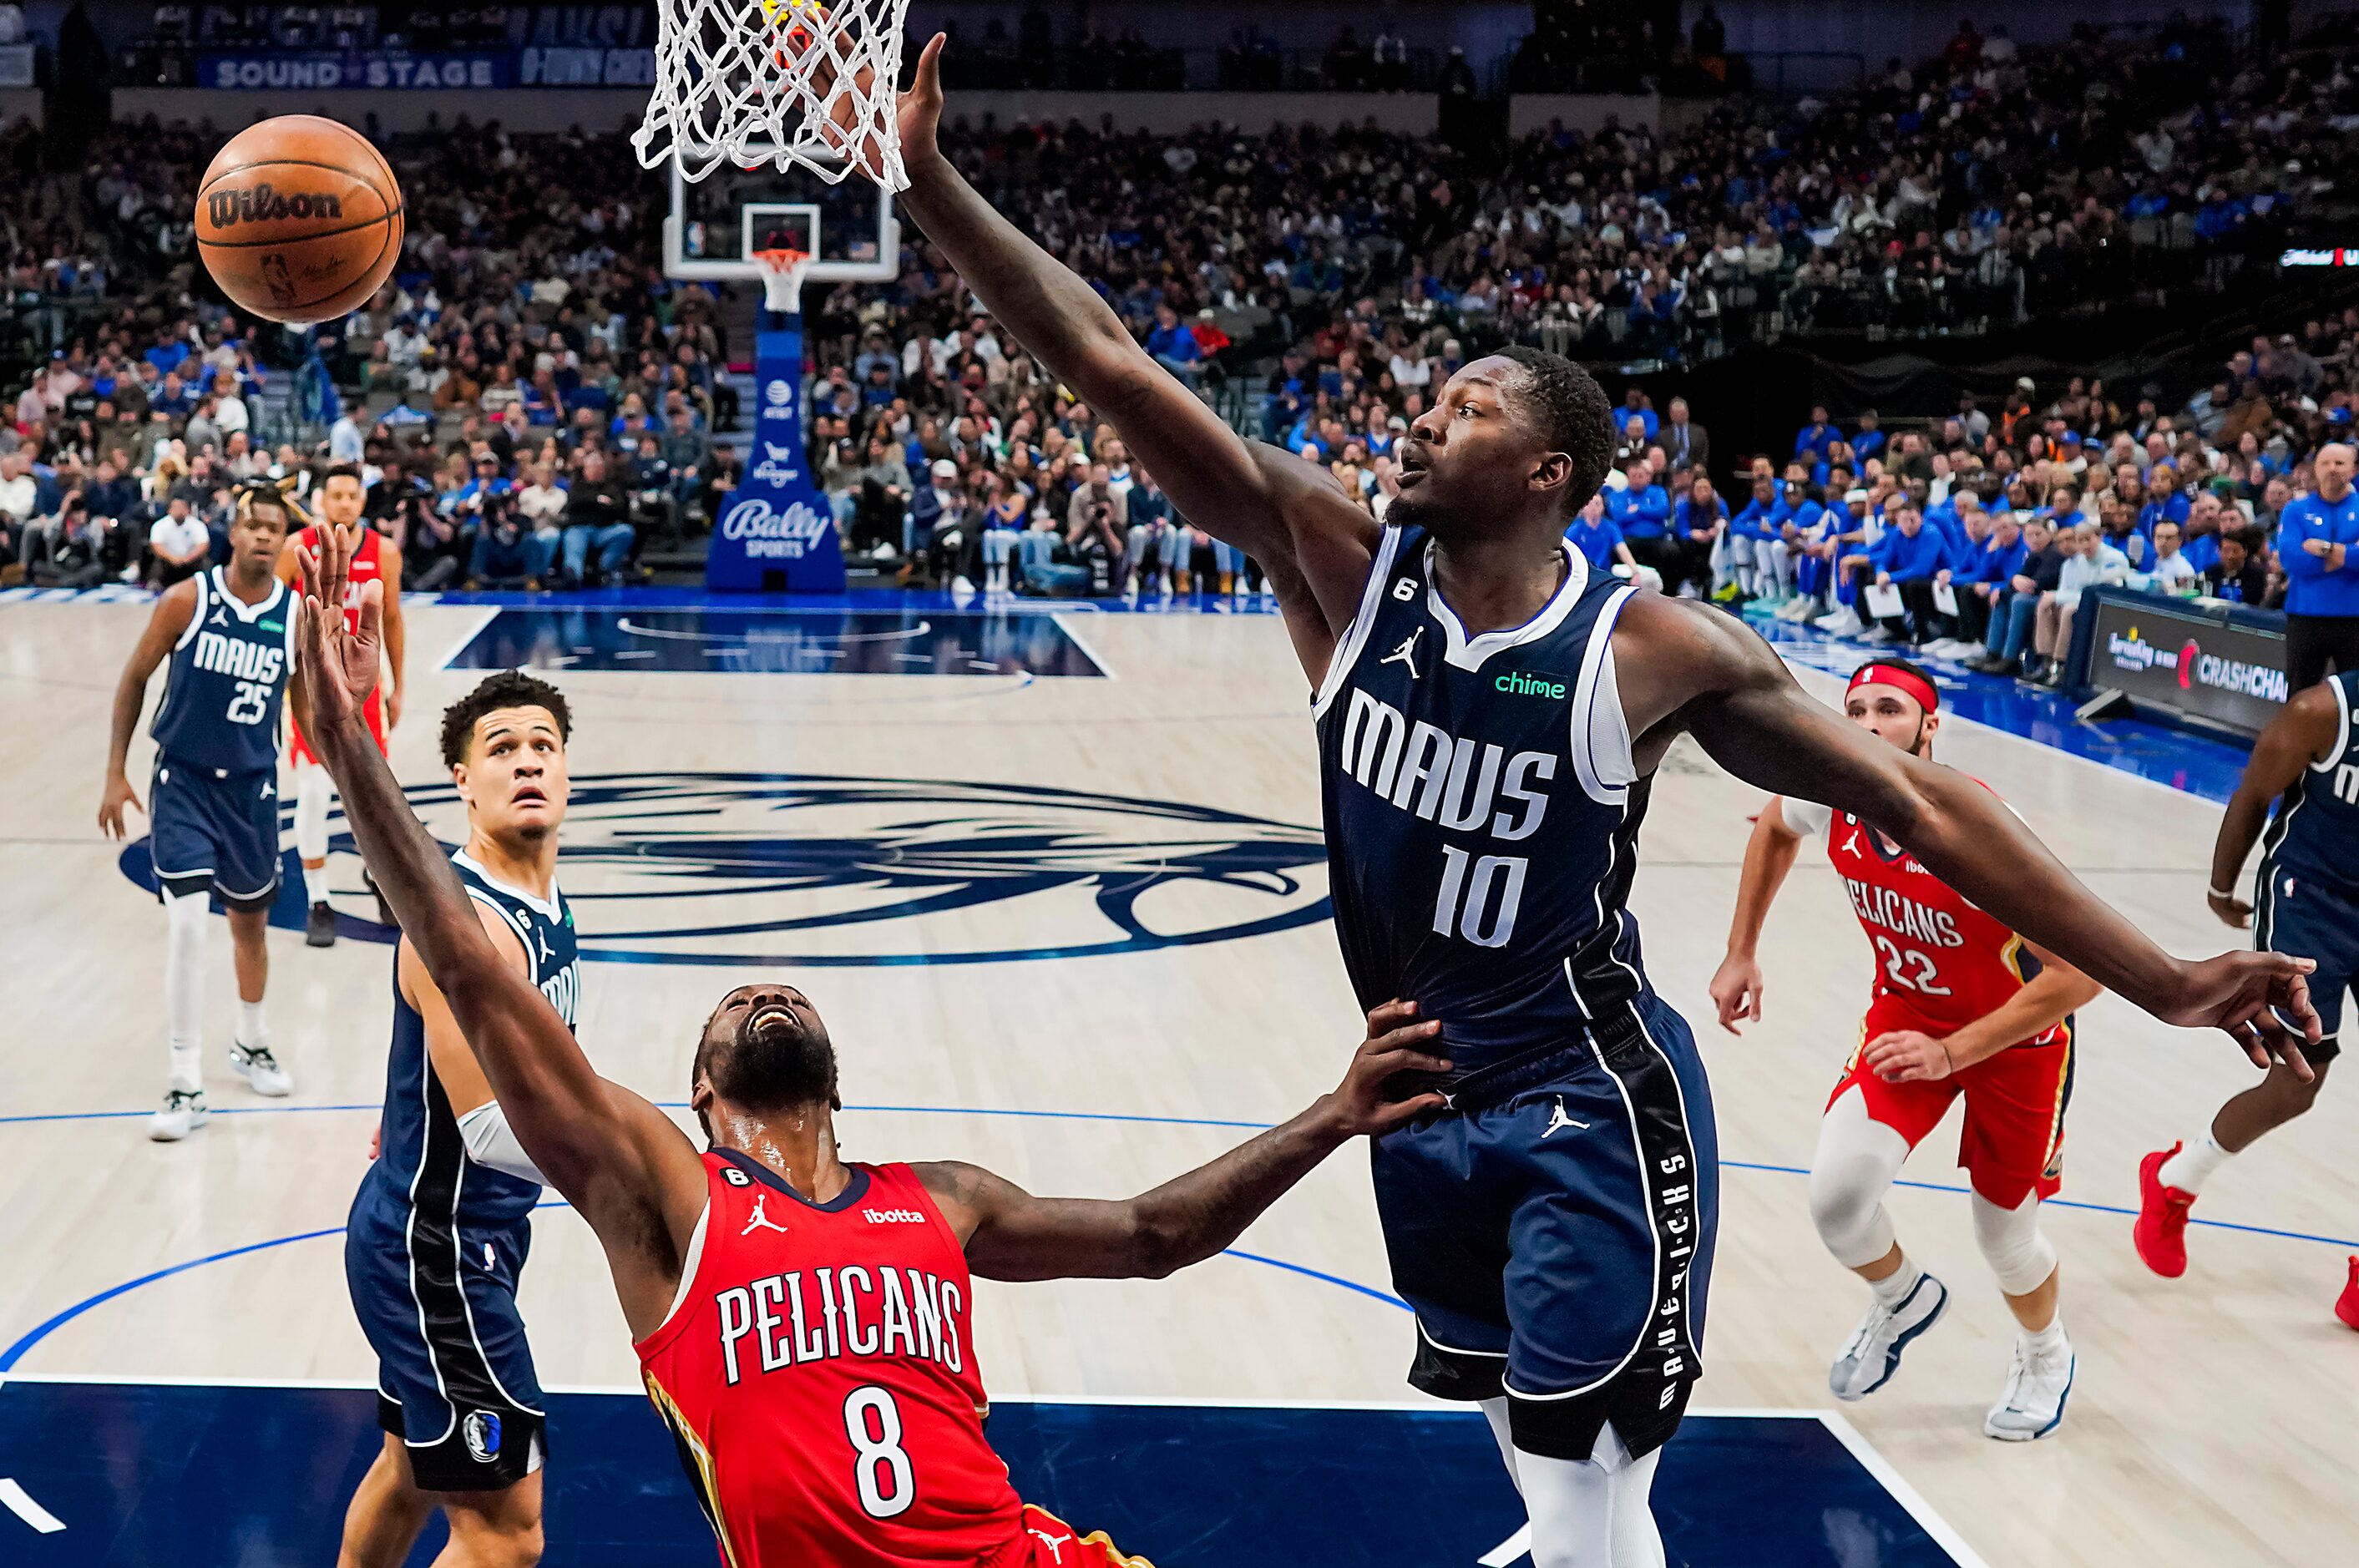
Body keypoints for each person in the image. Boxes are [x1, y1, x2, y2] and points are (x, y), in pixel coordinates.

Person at [847, 41, 2316, 1564]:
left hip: (1590, 1098)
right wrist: (931, 184)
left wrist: (2167, 976)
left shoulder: (1647, 647)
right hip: (1416, 1087)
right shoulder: (1342, 571)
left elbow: (1919, 802)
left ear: (1549, 469)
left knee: (1586, 1468)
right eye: (1428, 400)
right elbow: (1111, 363)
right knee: (1543, 1461)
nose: (1422, 419)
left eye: (1465, 409)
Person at [289, 521, 1452, 1568]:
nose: (762, 991)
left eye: (778, 994)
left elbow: (1153, 1235)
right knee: (498, 1519)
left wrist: (1332, 1112)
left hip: (1022, 1555)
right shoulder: (669, 1193)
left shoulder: (942, 1198)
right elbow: (459, 961)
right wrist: (347, 754)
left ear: (836, 1080)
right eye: (739, 1002)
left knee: (417, 1456)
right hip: (447, 1239)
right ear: (699, 1090)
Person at [1710, 661, 2101, 1439]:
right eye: (1852, 708)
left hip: (2017, 1039)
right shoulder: (1833, 796)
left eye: (1887, 709)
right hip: (1906, 1020)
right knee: (1837, 1196)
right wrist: (1740, 950)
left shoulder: (1979, 831)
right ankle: (1902, 1297)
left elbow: (2080, 976)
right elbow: (1773, 830)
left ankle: (2045, 1352)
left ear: (1928, 728)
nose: (1864, 722)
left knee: (2002, 1236)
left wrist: (1954, 1054)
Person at [336, 670, 580, 1568]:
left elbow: (483, 1070)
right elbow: (489, 1133)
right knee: (507, 1537)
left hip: (457, 1234)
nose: (526, 763)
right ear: (460, 781)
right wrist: (641, 1180)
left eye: (542, 747)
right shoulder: (467, 926)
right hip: (434, 1254)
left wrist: (402, 1111)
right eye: (501, 748)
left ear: (567, 774)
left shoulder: (545, 903)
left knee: (409, 1466)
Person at [2135, 665, 2359, 1328]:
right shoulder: (2322, 711)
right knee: (2297, 1082)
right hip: (2309, 900)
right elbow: (2252, 795)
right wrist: (2219, 885)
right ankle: (2175, 1181)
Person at [99, 481, 302, 1140]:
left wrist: (328, 758)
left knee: (250, 927)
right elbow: (134, 678)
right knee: (188, 926)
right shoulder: (187, 599)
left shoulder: (294, 615)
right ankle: (185, 1082)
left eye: (277, 527)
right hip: (182, 781)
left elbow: (304, 705)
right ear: (234, 533)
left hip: (252, 787)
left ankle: (251, 1037)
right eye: (256, 526)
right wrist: (113, 773)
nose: (266, 536)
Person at [278, 463, 404, 945]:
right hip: (309, 691)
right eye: (337, 495)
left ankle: (378, 877)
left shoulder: (384, 553)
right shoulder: (296, 549)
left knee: (371, 800)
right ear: (322, 500)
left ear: (363, 502)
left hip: (364, 693)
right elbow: (273, 612)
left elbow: (392, 621)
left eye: (353, 495)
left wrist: (399, 685)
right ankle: (318, 900)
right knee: (313, 794)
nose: (345, 503)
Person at [2275, 443, 2359, 690]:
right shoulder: (2295, 510)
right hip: (2306, 616)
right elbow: (2292, 560)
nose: (2332, 469)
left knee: (2356, 698)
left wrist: (2325, 549)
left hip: (2354, 618)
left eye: (2340, 463)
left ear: (2353, 470)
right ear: (2316, 469)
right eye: (2326, 463)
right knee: (2299, 694)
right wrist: (2348, 553)